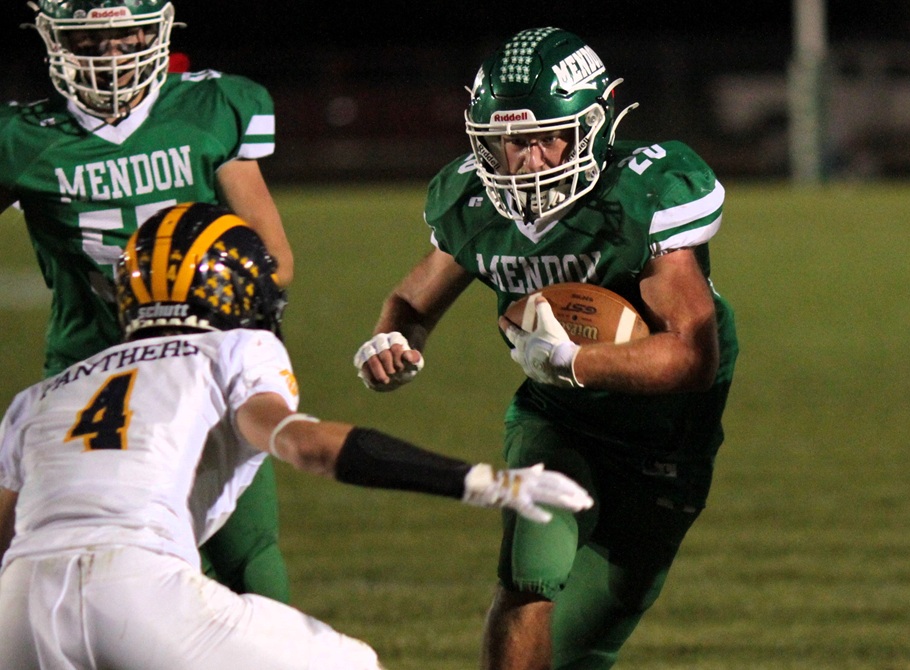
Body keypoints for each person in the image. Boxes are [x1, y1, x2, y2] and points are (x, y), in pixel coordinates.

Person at [0, 202, 594, 670]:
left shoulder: (41, 396)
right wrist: (480, 481)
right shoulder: (232, 349)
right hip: (137, 588)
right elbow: (306, 445)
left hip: (18, 608)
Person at [353, 27, 739, 670]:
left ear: (594, 126)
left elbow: (694, 357)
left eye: (547, 138)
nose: (529, 161)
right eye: (510, 142)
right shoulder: (475, 202)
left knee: (585, 646)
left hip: (667, 434)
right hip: (558, 419)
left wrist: (571, 361)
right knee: (529, 573)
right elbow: (413, 300)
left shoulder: (643, 192)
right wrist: (390, 340)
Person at [0, 0, 294, 602]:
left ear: (156, 30)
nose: (110, 54)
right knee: (120, 563)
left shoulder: (209, 107)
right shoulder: (23, 137)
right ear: (55, 40)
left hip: (201, 365)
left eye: (127, 34)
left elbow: (274, 260)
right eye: (90, 40)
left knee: (247, 552)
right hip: (92, 372)